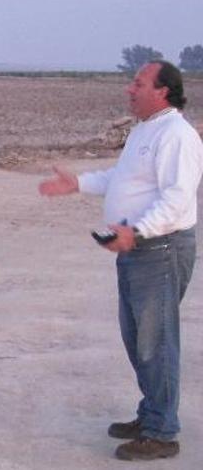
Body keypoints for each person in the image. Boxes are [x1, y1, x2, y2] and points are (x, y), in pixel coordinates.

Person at [39, 61, 202, 461]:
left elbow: (177, 198)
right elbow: (120, 178)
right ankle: (151, 414)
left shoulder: (176, 135)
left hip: (158, 250)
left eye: (138, 82)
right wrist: (78, 183)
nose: (130, 89)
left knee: (155, 342)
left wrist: (139, 231)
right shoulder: (145, 130)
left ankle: (162, 432)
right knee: (138, 340)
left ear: (162, 91)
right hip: (135, 248)